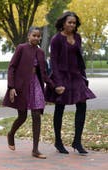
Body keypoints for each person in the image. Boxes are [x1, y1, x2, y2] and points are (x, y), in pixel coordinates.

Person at [45, 11, 96, 155]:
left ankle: (77, 141)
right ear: (63, 23)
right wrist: (58, 83)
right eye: (69, 22)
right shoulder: (56, 39)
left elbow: (79, 58)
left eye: (74, 23)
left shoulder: (78, 37)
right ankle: (58, 141)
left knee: (82, 105)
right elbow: (53, 61)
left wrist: (84, 78)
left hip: (76, 76)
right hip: (61, 76)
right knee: (60, 108)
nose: (72, 25)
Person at [3, 26, 56, 159]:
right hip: (22, 86)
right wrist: (11, 87)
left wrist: (54, 86)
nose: (37, 38)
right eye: (34, 35)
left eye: (39, 36)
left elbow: (43, 74)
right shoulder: (21, 48)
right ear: (29, 36)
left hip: (36, 85)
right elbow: (12, 68)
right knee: (22, 116)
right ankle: (11, 133)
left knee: (36, 115)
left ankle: (35, 149)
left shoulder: (41, 52)